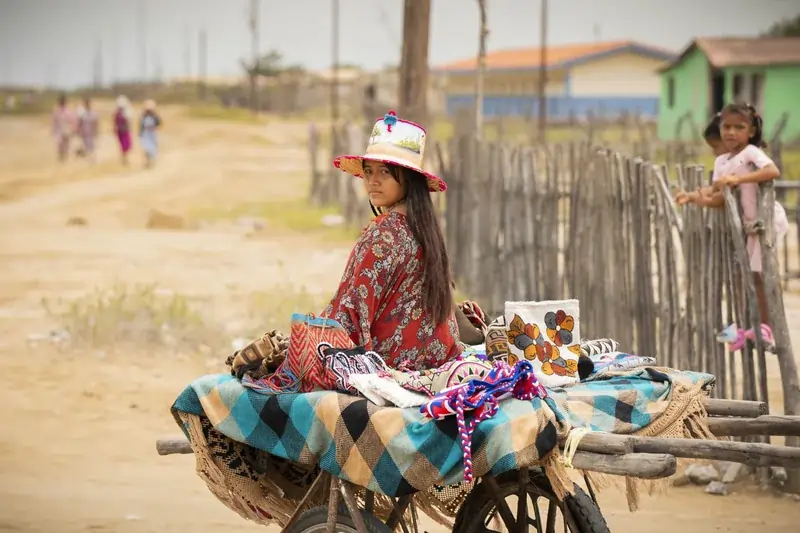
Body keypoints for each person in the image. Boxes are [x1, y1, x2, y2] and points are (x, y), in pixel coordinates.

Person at [321, 110, 462, 370]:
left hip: (392, 363)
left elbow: (352, 309)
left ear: (407, 178)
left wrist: (316, 343)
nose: (373, 181)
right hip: (437, 359)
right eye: (368, 171)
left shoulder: (383, 233)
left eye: (385, 172)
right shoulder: (426, 228)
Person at [680, 103, 788, 341]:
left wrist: (738, 179)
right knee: (744, 275)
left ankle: (766, 327)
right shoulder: (721, 162)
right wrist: (694, 197)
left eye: (739, 127)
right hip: (749, 227)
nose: (731, 132)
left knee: (759, 274)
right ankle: (748, 325)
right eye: (726, 127)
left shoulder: (751, 152)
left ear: (751, 131)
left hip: (766, 221)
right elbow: (718, 194)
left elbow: (772, 171)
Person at [51, 94, 75, 162]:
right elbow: (54, 120)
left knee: (66, 143)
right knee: (60, 143)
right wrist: (53, 129)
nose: (62, 102)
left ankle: (65, 156)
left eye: (63, 101)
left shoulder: (68, 110)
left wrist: (73, 128)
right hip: (59, 129)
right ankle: (61, 156)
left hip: (67, 128)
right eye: (61, 101)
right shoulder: (56, 110)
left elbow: (72, 120)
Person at [139, 99, 162, 168]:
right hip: (145, 134)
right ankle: (147, 162)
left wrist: (154, 128)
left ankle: (151, 161)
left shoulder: (155, 116)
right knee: (146, 149)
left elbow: (159, 124)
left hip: (152, 134)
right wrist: (140, 133)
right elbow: (141, 125)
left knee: (152, 148)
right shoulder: (143, 116)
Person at [76, 97, 99, 161]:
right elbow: (80, 122)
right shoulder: (82, 114)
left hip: (91, 132)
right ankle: (88, 157)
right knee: (85, 145)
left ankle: (91, 157)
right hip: (84, 132)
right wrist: (78, 130)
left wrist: (96, 131)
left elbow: (96, 123)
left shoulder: (93, 113)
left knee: (91, 145)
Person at [114, 95, 133, 165]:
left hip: (126, 131)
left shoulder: (128, 112)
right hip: (120, 131)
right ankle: (124, 158)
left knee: (127, 145)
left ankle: (125, 157)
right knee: (123, 145)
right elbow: (115, 122)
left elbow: (130, 122)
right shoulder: (117, 113)